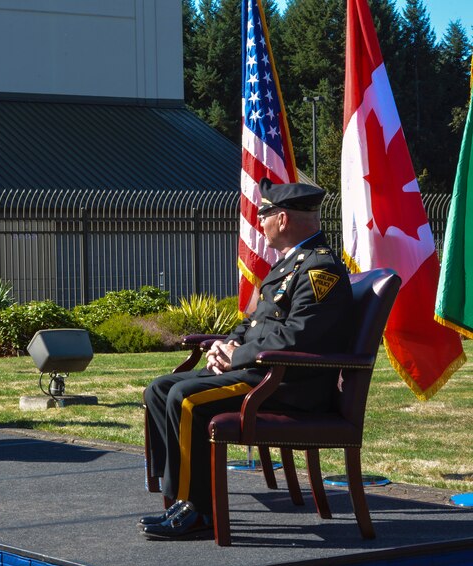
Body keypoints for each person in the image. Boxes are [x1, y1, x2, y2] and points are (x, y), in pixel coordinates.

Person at [140, 179, 352, 540]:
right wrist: (226, 345)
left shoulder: (321, 269)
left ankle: (200, 511)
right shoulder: (289, 265)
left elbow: (297, 336)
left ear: (282, 219)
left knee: (186, 399)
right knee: (159, 390)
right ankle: (178, 496)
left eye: (264, 214)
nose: (260, 222)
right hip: (264, 372)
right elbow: (255, 322)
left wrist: (236, 357)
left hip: (288, 384)